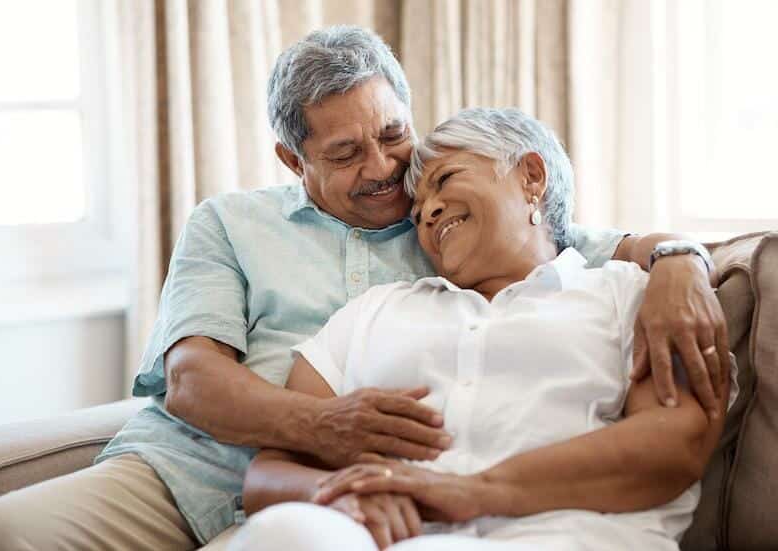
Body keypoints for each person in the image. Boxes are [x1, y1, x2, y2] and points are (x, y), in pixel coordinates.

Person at [0, 27, 729, 550]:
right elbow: (192, 380)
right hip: (189, 469)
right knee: (5, 533)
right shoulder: (231, 222)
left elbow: (563, 241)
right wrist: (325, 428)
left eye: (395, 136)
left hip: (326, 495)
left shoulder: (451, 229)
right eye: (344, 151)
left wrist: (682, 259)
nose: (385, 171)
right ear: (291, 158)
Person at [233, 107, 735, 550]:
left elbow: (674, 447)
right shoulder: (373, 311)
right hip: (381, 539)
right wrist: (335, 497)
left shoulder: (629, 294)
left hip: (563, 536)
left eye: (446, 180)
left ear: (531, 176)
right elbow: (268, 474)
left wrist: (468, 492)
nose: (427, 211)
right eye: (415, 210)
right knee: (285, 534)